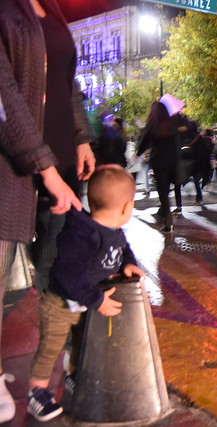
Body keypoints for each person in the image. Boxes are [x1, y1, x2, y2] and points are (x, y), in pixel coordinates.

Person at [0, 0, 96, 422]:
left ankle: (44, 382)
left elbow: (65, 82)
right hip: (12, 169)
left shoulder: (53, 11)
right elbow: (4, 96)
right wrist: (44, 167)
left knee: (59, 281)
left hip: (61, 167)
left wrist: (81, 136)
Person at [27, 165, 144, 422]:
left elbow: (123, 249)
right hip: (60, 305)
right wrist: (97, 299)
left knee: (82, 345)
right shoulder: (82, 234)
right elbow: (69, 275)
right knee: (50, 349)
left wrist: (128, 263)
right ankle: (37, 392)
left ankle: (73, 376)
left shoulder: (114, 231)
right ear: (126, 208)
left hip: (85, 304)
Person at [136, 94, 185, 232]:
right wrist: (178, 159)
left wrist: (138, 154)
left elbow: (144, 141)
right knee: (167, 189)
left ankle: (168, 220)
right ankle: (164, 212)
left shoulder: (153, 123)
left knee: (162, 191)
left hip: (159, 161)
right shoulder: (173, 123)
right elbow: (178, 143)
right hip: (173, 161)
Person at [189, 128, 214, 205]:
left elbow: (192, 149)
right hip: (207, 164)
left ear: (205, 133)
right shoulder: (211, 142)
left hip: (198, 163)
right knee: (203, 179)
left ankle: (199, 198)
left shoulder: (199, 140)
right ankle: (201, 193)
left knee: (196, 180)